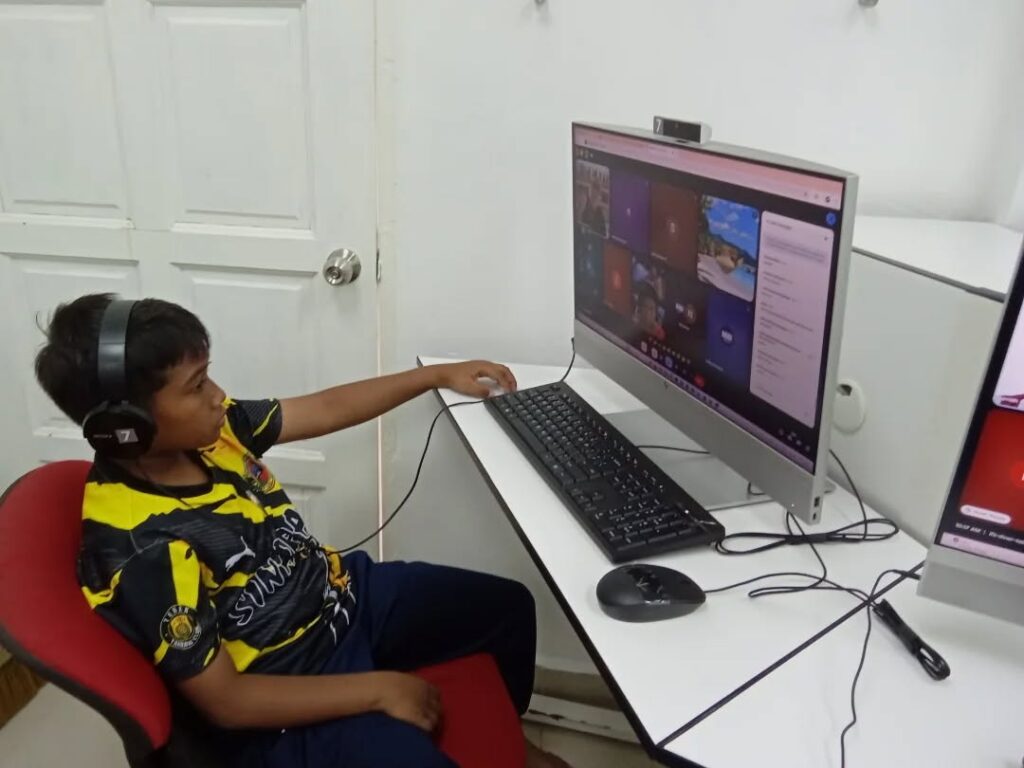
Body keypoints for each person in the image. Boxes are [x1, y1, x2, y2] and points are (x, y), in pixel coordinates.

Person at [35, 293, 572, 768]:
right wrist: (376, 690)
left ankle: (511, 744)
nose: (218, 396)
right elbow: (227, 703)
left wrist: (434, 376)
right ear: (127, 428)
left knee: (506, 609)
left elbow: (325, 408)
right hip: (281, 695)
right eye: (197, 386)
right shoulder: (142, 548)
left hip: (339, 598)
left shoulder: (212, 432)